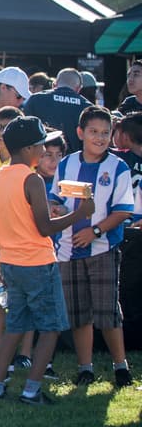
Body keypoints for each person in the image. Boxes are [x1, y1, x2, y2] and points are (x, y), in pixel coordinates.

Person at [0, 117, 94, 404]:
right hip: (37, 263)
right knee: (52, 327)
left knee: (16, 326)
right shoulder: (31, 179)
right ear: (29, 147)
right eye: (42, 144)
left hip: (9, 264)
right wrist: (81, 214)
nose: (45, 149)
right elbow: (44, 228)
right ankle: (31, 390)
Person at [55, 106, 134, 387]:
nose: (100, 138)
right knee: (79, 313)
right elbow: (56, 199)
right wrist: (53, 209)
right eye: (93, 132)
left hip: (102, 249)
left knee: (108, 312)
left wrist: (96, 231)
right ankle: (85, 367)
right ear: (80, 133)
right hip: (67, 249)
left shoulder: (118, 167)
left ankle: (120, 367)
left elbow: (124, 210)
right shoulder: (66, 165)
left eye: (105, 132)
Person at [23, 68, 92, 155]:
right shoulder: (88, 107)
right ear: (78, 89)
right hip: (73, 164)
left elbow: (25, 132)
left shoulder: (35, 99)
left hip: (39, 160)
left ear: (54, 84)